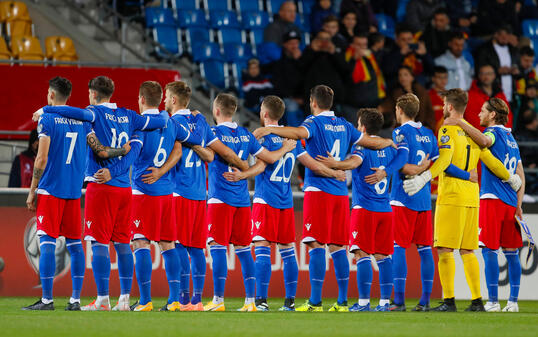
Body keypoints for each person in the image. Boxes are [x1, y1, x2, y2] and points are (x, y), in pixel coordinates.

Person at [253, 85, 394, 312]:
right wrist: (388, 142)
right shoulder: (345, 125)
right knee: (338, 246)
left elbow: (299, 134)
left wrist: (271, 130)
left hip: (318, 191)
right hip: (340, 194)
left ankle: (315, 302)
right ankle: (342, 302)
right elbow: (369, 142)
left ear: (313, 102)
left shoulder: (313, 123)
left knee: (316, 243)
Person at [40, 76, 168, 311]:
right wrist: (168, 115)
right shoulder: (129, 116)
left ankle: (102, 299)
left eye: (89, 94)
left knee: (98, 242)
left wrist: (45, 109)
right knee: (122, 243)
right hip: (125, 189)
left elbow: (75, 113)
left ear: (94, 94)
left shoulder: (93, 112)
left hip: (101, 185)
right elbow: (159, 120)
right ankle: (125, 300)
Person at [222, 96, 345, 311]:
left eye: (261, 109)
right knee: (288, 250)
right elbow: (312, 165)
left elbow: (261, 165)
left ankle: (261, 301)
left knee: (262, 248)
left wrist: (243, 174)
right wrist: (334, 173)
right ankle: (290, 302)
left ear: (265, 113)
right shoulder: (292, 142)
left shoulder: (264, 138)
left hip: (266, 199)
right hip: (286, 201)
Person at [403, 88, 522, 312]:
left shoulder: (448, 127)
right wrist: (511, 179)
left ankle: (449, 301)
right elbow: (490, 159)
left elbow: (445, 160)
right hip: (472, 197)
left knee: (444, 249)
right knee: (468, 250)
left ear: (449, 106)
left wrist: (425, 177)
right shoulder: (473, 131)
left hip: (452, 195)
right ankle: (477, 301)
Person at [23, 77, 127, 311]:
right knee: (74, 245)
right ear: (68, 96)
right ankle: (75, 300)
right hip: (73, 191)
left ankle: (47, 299)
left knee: (47, 241)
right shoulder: (83, 120)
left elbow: (41, 157)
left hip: (50, 188)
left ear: (51, 94)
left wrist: (32, 190)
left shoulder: (47, 119)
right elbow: (97, 147)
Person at [362, 93, 474, 311]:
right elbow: (442, 162)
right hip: (423, 199)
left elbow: (402, 158)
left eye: (396, 109)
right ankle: (424, 301)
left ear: (400, 111)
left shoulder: (400, 132)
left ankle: (400, 300)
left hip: (403, 197)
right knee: (424, 250)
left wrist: (385, 171)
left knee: (399, 248)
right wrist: (465, 175)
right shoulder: (428, 133)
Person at [101, 82, 200, 312]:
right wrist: (164, 169)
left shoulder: (141, 126)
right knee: (168, 244)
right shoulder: (172, 123)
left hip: (143, 192)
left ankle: (145, 301)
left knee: (140, 242)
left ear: (141, 99)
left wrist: (112, 170)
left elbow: (131, 156)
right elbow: (192, 141)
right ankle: (174, 300)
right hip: (166, 193)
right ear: (161, 99)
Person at [203, 93, 296, 312]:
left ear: (216, 111)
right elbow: (269, 159)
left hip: (220, 197)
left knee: (218, 248)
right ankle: (251, 301)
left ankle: (218, 300)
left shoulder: (214, 133)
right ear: (233, 111)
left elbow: (208, 156)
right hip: (243, 200)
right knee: (244, 250)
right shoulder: (246, 135)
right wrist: (285, 148)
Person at [163, 81, 247, 311]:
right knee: (197, 248)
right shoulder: (200, 121)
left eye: (166, 96)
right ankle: (197, 301)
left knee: (179, 245)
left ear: (172, 100)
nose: (163, 100)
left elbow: (173, 153)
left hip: (179, 191)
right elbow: (212, 155)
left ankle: (181, 299)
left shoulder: (170, 123)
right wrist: (244, 166)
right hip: (201, 194)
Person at [443, 97, 525, 312]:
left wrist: (459, 122)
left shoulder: (493, 134)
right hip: (509, 203)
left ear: (492, 115)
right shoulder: (511, 138)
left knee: (489, 251)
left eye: (482, 111)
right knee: (511, 252)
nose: (478, 114)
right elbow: (521, 175)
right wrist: (519, 204)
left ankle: (493, 302)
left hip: (492, 200)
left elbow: (484, 142)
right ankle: (513, 302)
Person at [317, 108, 397, 311]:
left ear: (361, 127)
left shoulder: (362, 147)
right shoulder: (390, 148)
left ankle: (363, 303)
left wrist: (336, 164)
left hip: (365, 209)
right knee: (383, 256)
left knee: (362, 254)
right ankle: (385, 302)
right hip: (385, 208)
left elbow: (355, 162)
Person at [301, 30, 348, 107]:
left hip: (333, 99)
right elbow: (301, 68)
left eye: (327, 39)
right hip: (314, 99)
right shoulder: (309, 52)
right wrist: (312, 51)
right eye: (321, 39)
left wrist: (333, 53)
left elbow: (345, 70)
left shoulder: (335, 53)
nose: (324, 42)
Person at [343, 34, 385, 118]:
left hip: (372, 105)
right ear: (352, 45)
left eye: (364, 45)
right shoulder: (345, 58)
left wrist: (379, 101)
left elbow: (377, 79)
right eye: (359, 45)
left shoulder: (370, 57)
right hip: (353, 107)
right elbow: (345, 78)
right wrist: (353, 60)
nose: (362, 47)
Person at [381, 66, 435, 131]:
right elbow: (388, 110)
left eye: (405, 75)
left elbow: (429, 111)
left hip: (421, 130)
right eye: (400, 75)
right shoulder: (394, 94)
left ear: (412, 77)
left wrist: (428, 126)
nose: (402, 77)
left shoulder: (422, 92)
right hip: (403, 130)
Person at [475, 26, 520, 104]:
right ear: (496, 35)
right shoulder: (484, 50)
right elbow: (479, 70)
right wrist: (497, 71)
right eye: (502, 35)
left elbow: (521, 69)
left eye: (507, 35)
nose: (505, 38)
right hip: (492, 95)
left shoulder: (513, 50)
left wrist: (517, 71)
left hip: (511, 95)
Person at [381, 24, 434, 90]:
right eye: (403, 40)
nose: (407, 43)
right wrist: (400, 54)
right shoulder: (389, 53)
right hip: (398, 89)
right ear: (397, 40)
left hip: (419, 88)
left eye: (409, 39)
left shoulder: (418, 52)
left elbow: (432, 71)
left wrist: (425, 55)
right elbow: (388, 71)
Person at [269, 30, 304, 126]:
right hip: (288, 97)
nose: (294, 46)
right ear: (285, 45)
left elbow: (308, 79)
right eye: (291, 43)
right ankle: (294, 136)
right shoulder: (279, 64)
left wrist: (299, 61)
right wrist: (293, 97)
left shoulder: (305, 61)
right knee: (292, 106)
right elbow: (279, 86)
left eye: (296, 43)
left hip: (305, 97)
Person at [465, 64, 513, 130]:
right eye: (483, 73)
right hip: (480, 137)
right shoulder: (471, 95)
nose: (486, 76)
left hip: (499, 135)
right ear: (479, 76)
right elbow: (471, 119)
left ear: (494, 75)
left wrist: (502, 132)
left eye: (489, 73)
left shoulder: (500, 94)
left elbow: (507, 117)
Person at [429, 66, 448, 134]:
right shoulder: (428, 96)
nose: (443, 80)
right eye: (439, 77)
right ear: (433, 79)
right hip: (434, 134)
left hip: (450, 133)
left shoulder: (452, 96)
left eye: (445, 77)